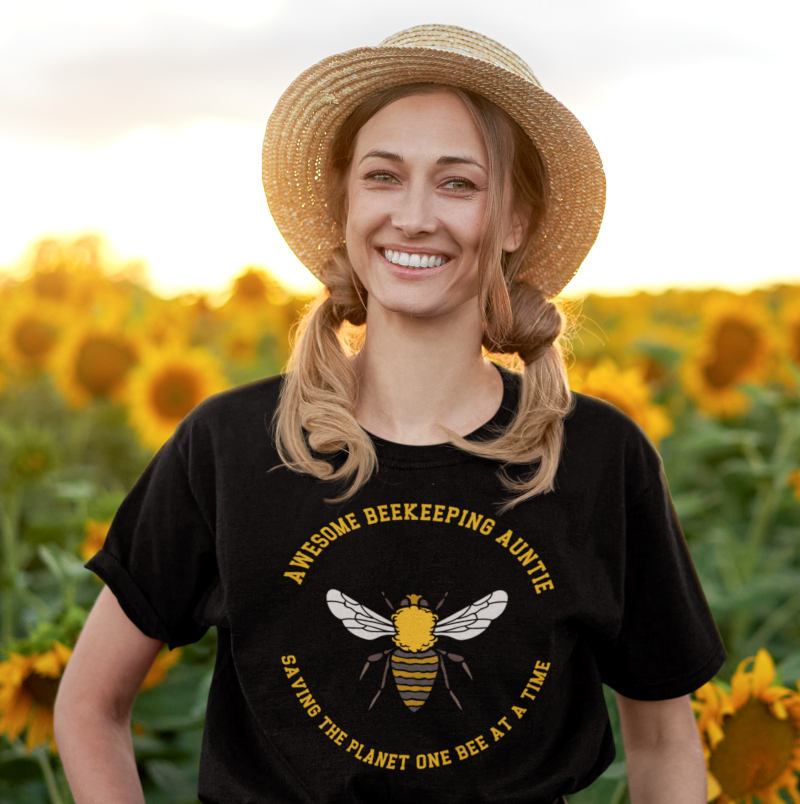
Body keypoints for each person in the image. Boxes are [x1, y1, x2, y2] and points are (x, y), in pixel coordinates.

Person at [54, 24, 726, 804]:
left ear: (514, 222)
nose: (412, 216)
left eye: (458, 183)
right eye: (382, 176)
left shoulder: (600, 457)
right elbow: (89, 705)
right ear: (346, 203)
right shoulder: (229, 445)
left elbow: (665, 739)